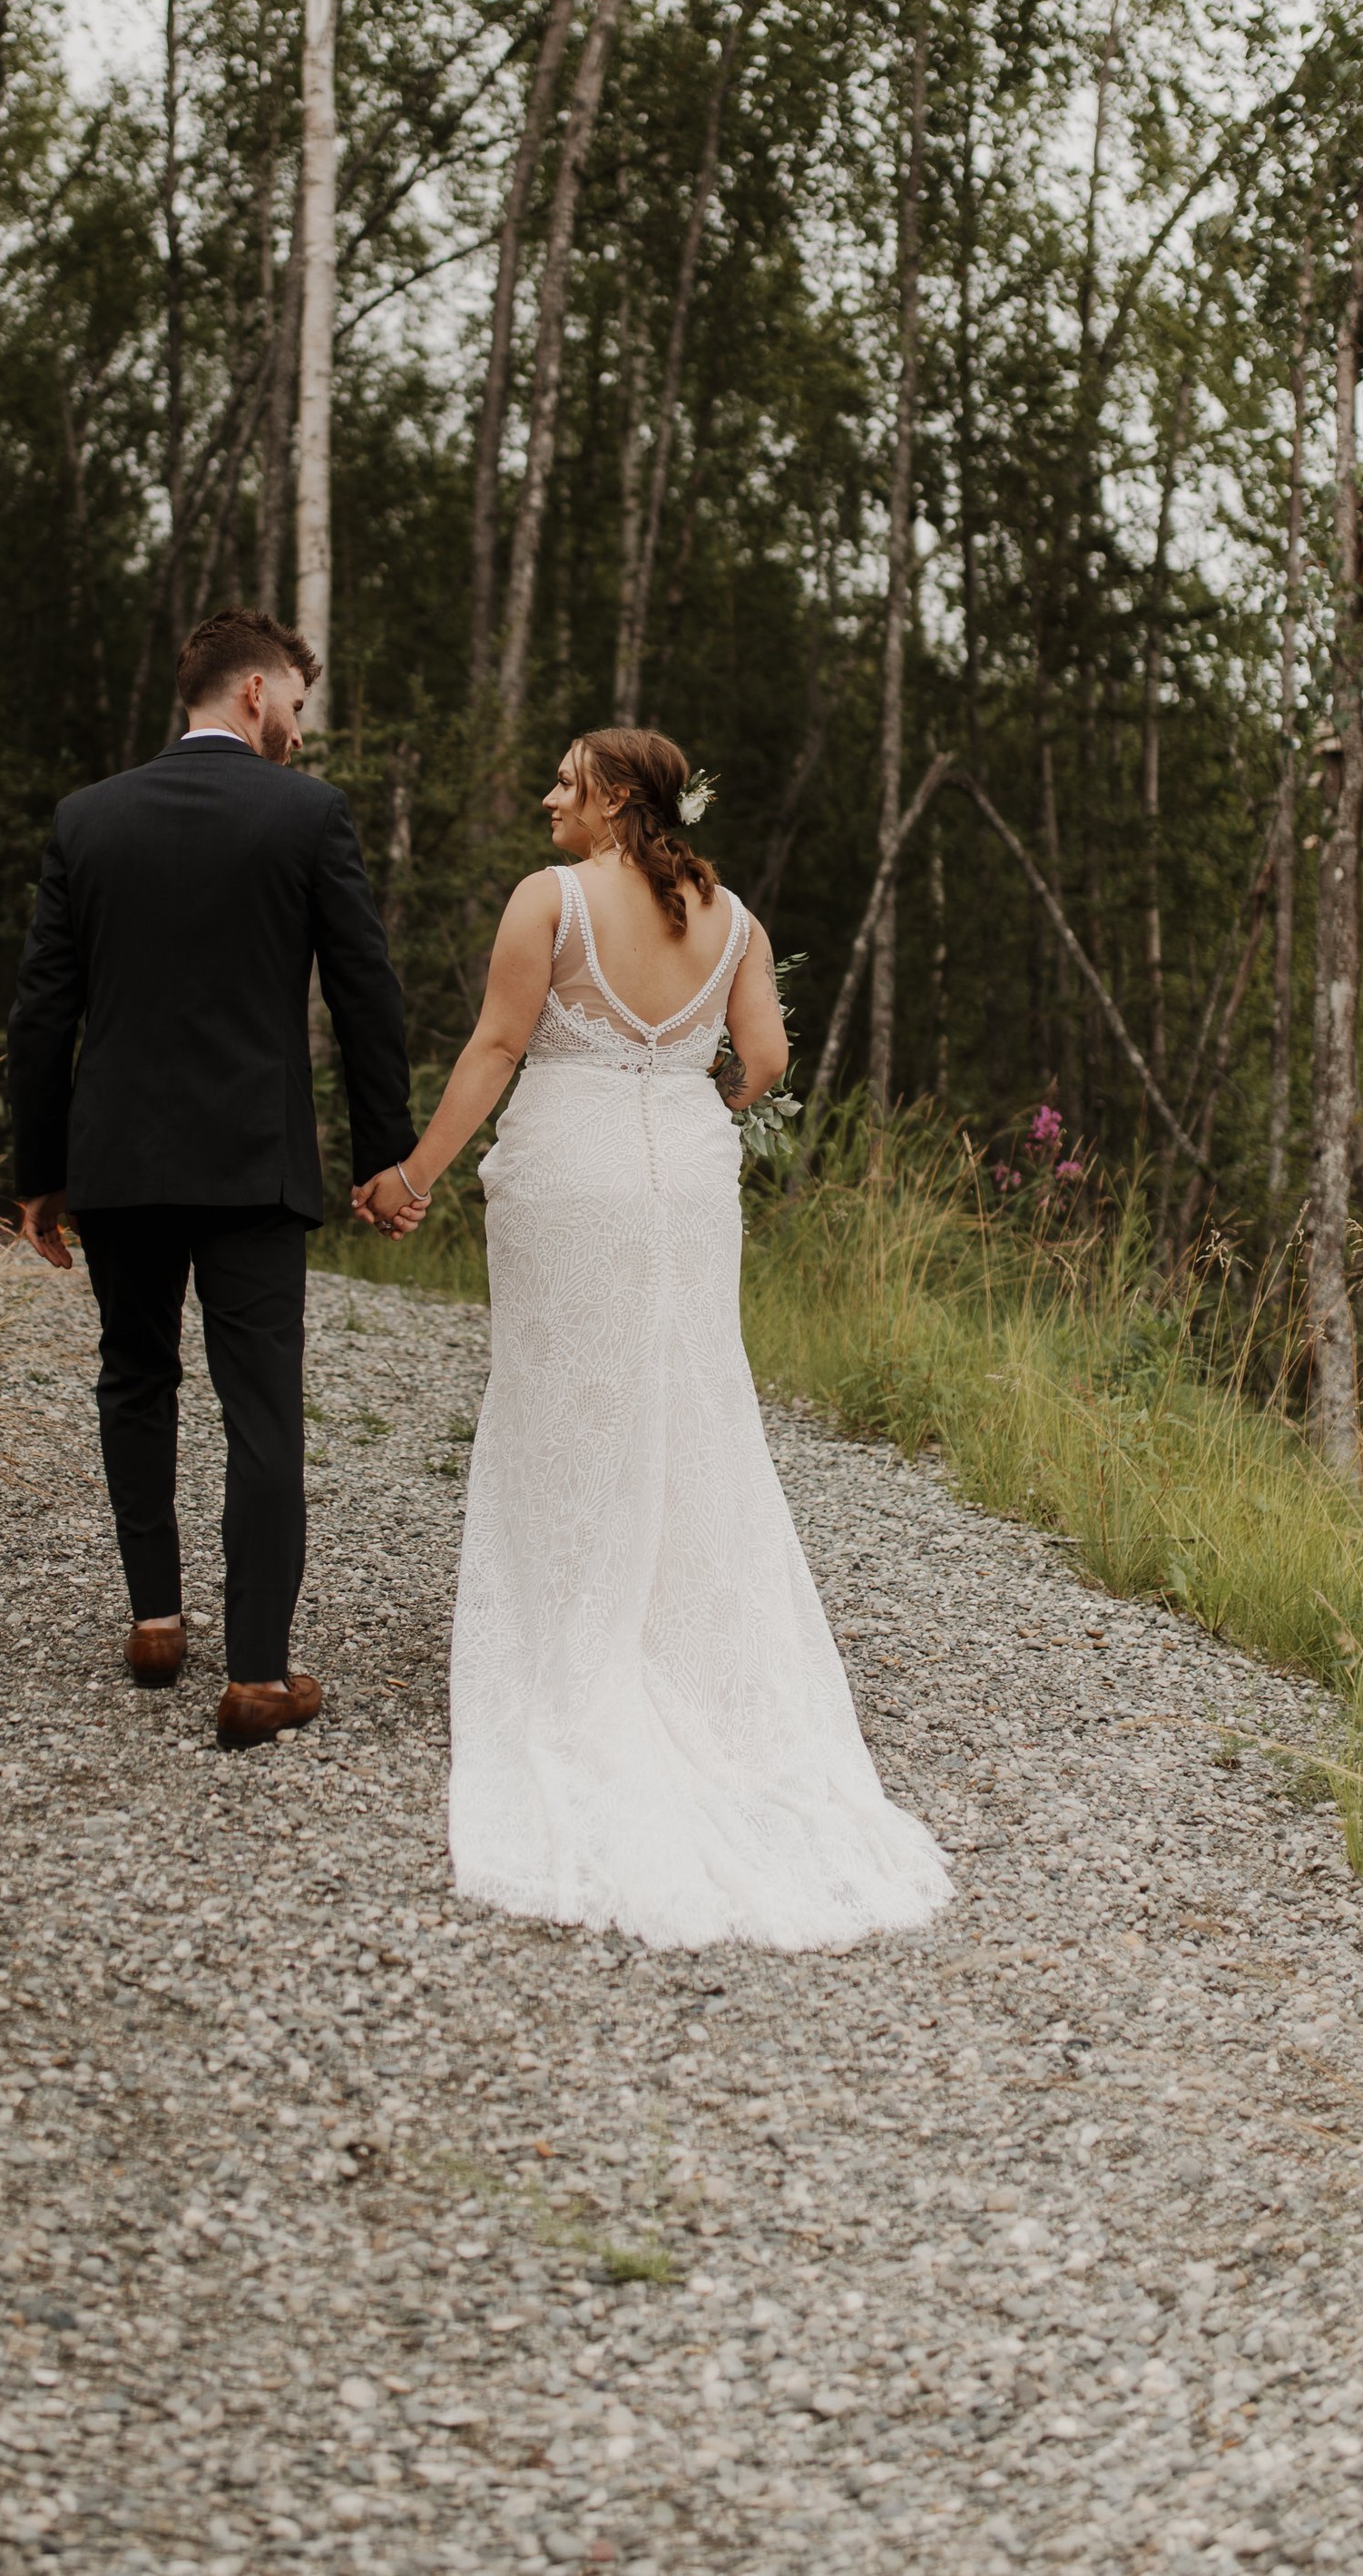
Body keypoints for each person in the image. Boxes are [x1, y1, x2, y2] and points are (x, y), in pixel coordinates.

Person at [371, 724, 953, 1949]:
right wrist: (685, 1101)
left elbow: (495, 1045)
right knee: (686, 1401)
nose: (549, 799)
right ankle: (681, 1651)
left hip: (572, 1167)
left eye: (566, 783)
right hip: (686, 1179)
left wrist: (416, 1174)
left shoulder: (552, 901)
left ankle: (575, 1646)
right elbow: (768, 1058)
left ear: (618, 797)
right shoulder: (730, 916)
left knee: (562, 1400)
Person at [6, 609, 418, 1750]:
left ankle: (153, 1618)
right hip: (251, 1163)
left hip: (120, 1163)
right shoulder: (305, 814)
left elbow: (43, 1009)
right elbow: (364, 990)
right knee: (261, 1408)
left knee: (133, 1379)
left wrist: (38, 1173)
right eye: (294, 697)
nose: (298, 722)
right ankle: (254, 1675)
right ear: (251, 693)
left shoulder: (87, 819)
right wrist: (386, 1151)